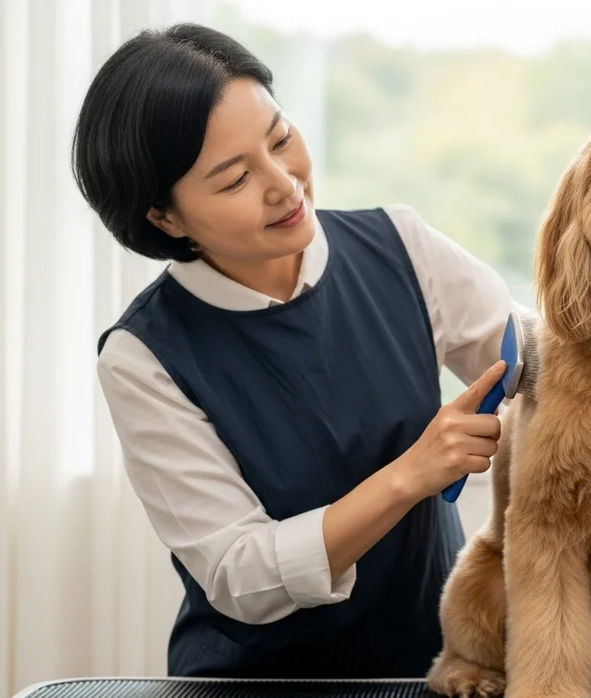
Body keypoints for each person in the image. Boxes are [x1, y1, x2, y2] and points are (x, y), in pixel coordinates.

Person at [72, 23, 516, 679]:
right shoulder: (144, 358)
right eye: (233, 180)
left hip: (434, 668)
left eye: (281, 139)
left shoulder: (399, 245)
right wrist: (409, 476)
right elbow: (242, 577)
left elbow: (539, 354)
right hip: (257, 682)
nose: (285, 184)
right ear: (165, 218)